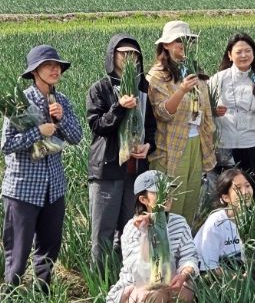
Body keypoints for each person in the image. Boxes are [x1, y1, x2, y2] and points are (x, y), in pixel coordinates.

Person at [1, 45, 83, 289]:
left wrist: (61, 119)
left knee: (49, 248)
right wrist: (38, 131)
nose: (55, 69)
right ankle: (13, 299)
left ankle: (43, 296)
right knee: (17, 252)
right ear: (34, 71)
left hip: (53, 189)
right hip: (23, 190)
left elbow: (76, 137)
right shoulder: (19, 102)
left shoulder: (62, 101)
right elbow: (6, 144)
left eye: (57, 65)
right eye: (48, 65)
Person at [87, 34, 156, 273]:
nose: (129, 58)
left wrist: (148, 146)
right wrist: (119, 107)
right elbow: (97, 126)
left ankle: (125, 278)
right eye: (123, 53)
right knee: (103, 232)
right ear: (112, 56)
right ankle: (101, 280)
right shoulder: (100, 88)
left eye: (134, 54)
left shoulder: (143, 88)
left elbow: (150, 127)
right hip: (107, 170)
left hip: (135, 172)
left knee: (130, 229)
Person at [105, 170, 199, 303]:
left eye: (167, 190)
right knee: (156, 293)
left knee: (186, 288)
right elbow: (139, 270)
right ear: (143, 199)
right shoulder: (133, 228)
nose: (166, 196)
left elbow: (189, 256)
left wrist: (183, 275)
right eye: (158, 192)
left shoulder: (179, 222)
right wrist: (147, 232)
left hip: (170, 283)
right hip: (137, 289)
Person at [147, 20, 215, 227]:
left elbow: (204, 109)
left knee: (190, 201)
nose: (184, 44)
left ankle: (185, 242)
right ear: (166, 45)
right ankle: (166, 243)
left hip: (196, 143)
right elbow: (162, 113)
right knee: (171, 202)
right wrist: (182, 90)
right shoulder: (157, 76)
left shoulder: (193, 70)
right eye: (179, 40)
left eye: (187, 40)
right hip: (171, 147)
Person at [209, 33, 255, 199]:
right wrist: (213, 110)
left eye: (248, 51)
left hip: (250, 144)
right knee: (226, 193)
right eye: (238, 52)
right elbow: (204, 106)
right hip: (225, 144)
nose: (244, 55)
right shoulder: (218, 79)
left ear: (254, 54)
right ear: (230, 55)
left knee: (252, 190)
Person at [194, 168, 255, 272]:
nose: (245, 192)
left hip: (245, 272)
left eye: (247, 186)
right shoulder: (216, 222)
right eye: (238, 188)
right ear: (225, 197)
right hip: (215, 274)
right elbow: (210, 267)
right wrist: (240, 278)